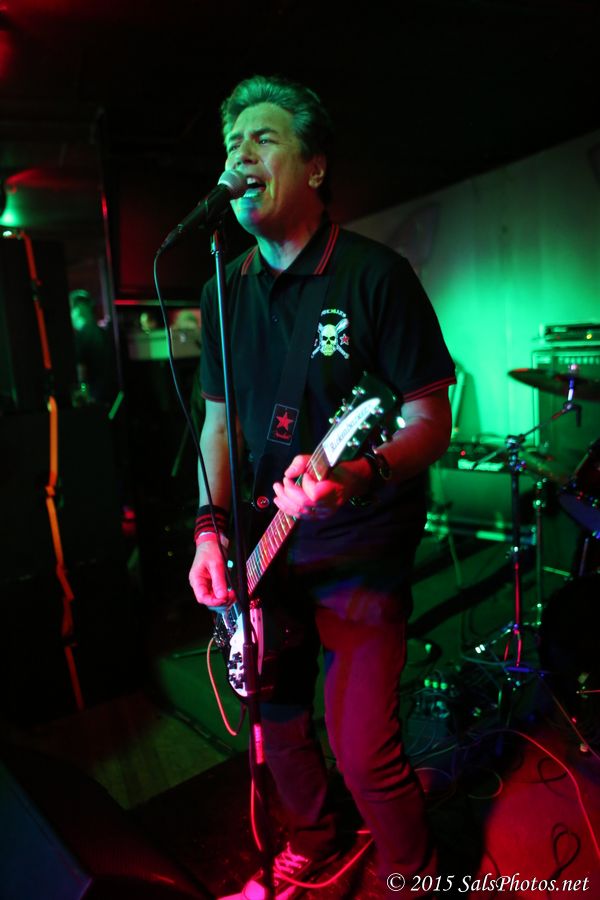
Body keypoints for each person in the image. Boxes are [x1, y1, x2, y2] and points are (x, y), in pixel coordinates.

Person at [188, 74, 455, 899]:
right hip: (268, 550)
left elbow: (429, 420)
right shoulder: (223, 289)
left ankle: (415, 874)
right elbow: (219, 428)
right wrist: (208, 532)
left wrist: (356, 475)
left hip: (359, 547)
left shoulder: (376, 276)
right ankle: (316, 840)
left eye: (262, 139)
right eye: (232, 143)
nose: (240, 155)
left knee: (363, 745)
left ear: (314, 166)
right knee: (276, 726)